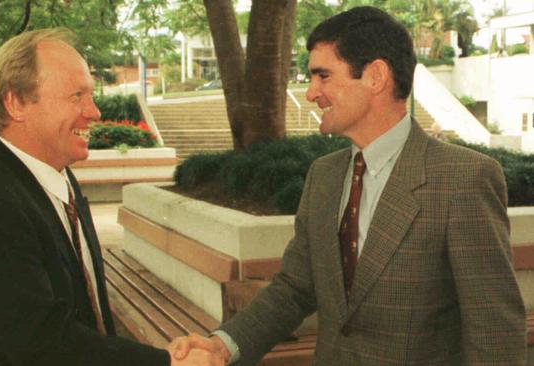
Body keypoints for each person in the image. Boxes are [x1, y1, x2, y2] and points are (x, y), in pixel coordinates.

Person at [174, 6, 527, 365]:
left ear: (375, 76)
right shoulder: (323, 177)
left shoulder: (462, 179)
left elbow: (495, 331)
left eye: (322, 76)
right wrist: (222, 345)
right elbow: (294, 289)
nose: (311, 92)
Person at [0, 28, 222, 366]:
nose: (94, 112)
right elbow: (44, 346)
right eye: (77, 96)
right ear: (16, 102)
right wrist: (166, 362)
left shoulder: (58, 178)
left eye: (91, 95)